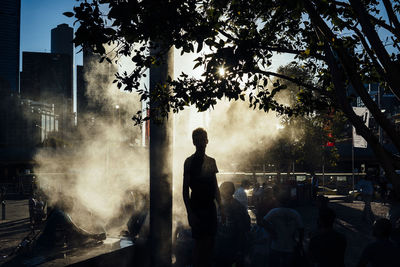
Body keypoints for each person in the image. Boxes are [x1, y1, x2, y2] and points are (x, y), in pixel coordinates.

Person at [183, 128, 224, 267]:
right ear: (194, 142)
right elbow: (184, 191)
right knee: (199, 245)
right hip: (197, 208)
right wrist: (190, 213)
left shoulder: (211, 161)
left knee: (210, 243)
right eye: (198, 140)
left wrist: (221, 208)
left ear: (207, 141)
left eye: (203, 139)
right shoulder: (189, 162)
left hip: (209, 207)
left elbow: (215, 186)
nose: (201, 143)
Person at [263, 186, 304, 267]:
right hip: (290, 246)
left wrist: (272, 232)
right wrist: (299, 242)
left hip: (276, 245)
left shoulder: (274, 212)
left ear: (278, 201)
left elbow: (263, 222)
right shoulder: (295, 213)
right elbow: (301, 229)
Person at [215, 181, 250, 267]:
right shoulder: (238, 206)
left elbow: (243, 228)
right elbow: (246, 226)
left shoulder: (236, 207)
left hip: (230, 244)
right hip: (225, 244)